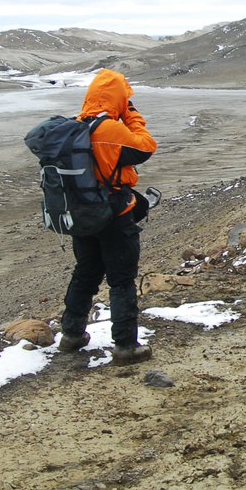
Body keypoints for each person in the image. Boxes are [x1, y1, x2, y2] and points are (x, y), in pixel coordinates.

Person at [57, 69, 158, 365]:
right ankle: (126, 346)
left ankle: (71, 335)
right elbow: (145, 147)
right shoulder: (110, 130)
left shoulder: (73, 128)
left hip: (82, 216)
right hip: (115, 216)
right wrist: (130, 115)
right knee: (122, 280)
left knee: (85, 273)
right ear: (117, 98)